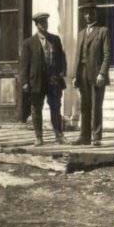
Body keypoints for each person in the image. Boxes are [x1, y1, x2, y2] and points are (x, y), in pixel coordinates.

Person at [21, 12, 67, 146]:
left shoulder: (55, 39)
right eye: (41, 23)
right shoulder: (29, 43)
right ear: (36, 25)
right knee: (36, 108)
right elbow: (24, 65)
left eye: (46, 22)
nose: (44, 25)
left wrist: (62, 72)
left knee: (55, 108)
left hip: (53, 80)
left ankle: (59, 136)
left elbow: (62, 58)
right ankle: (39, 137)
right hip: (37, 81)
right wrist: (24, 82)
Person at [72, 0, 111, 147]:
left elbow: (107, 55)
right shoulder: (81, 33)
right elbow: (77, 56)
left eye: (91, 13)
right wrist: (75, 75)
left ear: (96, 13)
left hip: (96, 75)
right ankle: (84, 136)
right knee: (85, 106)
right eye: (86, 13)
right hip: (82, 74)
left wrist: (102, 73)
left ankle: (96, 137)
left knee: (96, 105)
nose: (88, 16)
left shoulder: (103, 31)